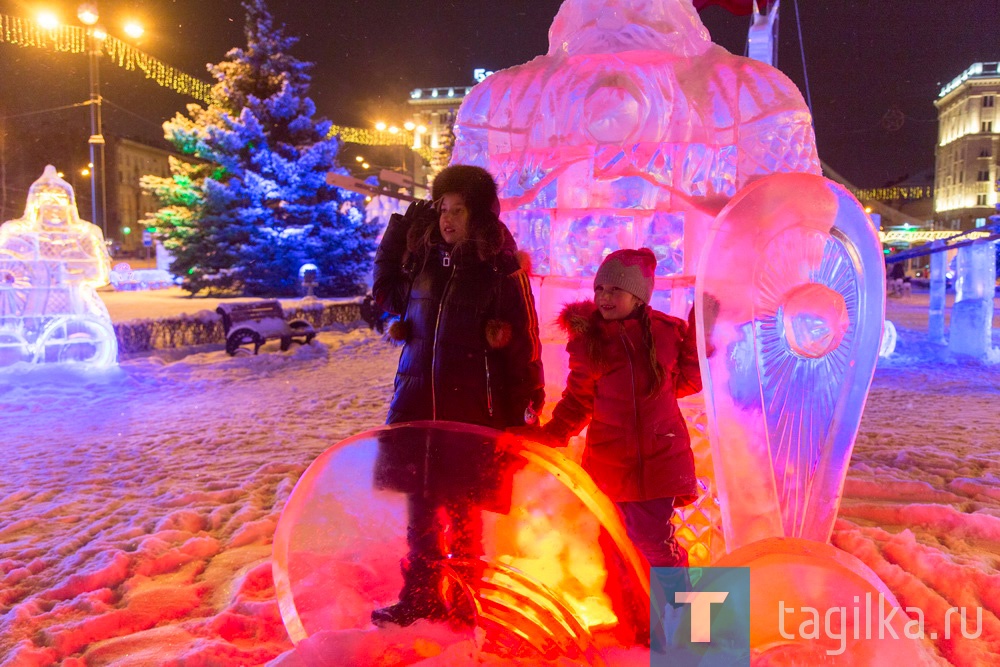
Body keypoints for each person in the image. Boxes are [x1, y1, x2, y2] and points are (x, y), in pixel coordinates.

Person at [370, 164, 545, 627]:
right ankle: (421, 597)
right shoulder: (424, 263)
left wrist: (522, 414)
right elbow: (386, 294)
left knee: (464, 514)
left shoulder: (500, 271)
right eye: (443, 208)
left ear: (480, 216)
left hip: (470, 412)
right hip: (415, 402)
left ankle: (467, 603)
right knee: (421, 511)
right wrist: (396, 233)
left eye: (460, 210)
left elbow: (523, 343)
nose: (448, 219)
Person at [540, 248, 701, 570]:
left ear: (639, 297)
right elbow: (579, 398)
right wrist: (554, 432)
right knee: (613, 545)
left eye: (615, 289)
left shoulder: (665, 332)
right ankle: (629, 618)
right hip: (609, 462)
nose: (604, 296)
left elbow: (686, 382)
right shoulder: (590, 341)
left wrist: (700, 331)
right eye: (599, 288)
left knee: (652, 541)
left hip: (660, 461)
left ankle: (679, 616)